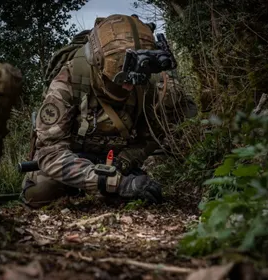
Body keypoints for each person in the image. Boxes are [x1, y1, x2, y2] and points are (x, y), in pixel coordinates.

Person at [20, 14, 198, 208]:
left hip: (116, 160)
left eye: (135, 82)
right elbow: (50, 154)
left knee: (144, 196)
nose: (129, 87)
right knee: (38, 194)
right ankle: (79, 187)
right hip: (69, 157)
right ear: (98, 66)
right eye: (121, 81)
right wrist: (115, 182)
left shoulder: (148, 86)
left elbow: (150, 138)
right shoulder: (69, 81)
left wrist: (124, 163)